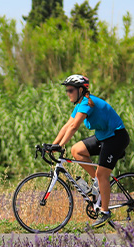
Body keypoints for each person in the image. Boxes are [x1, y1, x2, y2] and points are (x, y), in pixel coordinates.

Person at [49, 74, 129, 227]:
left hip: (116, 137)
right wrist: (53, 145)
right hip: (103, 137)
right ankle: (98, 183)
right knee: (76, 150)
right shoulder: (80, 104)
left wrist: (61, 145)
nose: (68, 93)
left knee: (102, 173)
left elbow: (74, 127)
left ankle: (105, 212)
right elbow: (67, 125)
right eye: (67, 90)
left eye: (70, 90)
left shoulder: (86, 102)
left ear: (80, 90)